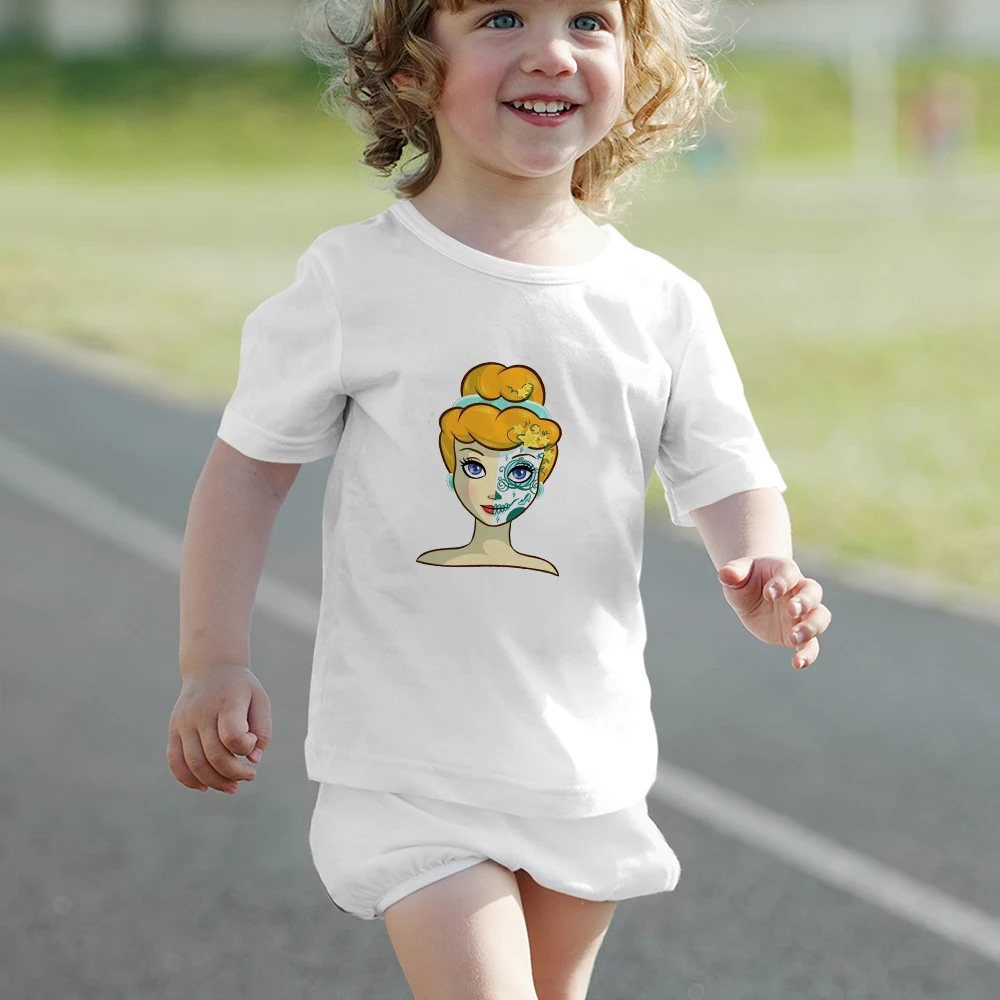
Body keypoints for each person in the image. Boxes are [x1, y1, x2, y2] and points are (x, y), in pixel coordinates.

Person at [166, 0, 832, 994]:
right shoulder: (356, 279)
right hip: (408, 767)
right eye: (503, 16)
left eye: (588, 20)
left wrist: (762, 568)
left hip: (583, 761)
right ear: (410, 67)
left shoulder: (659, 304)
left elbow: (730, 471)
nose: (551, 52)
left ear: (637, 66)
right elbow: (247, 473)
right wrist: (212, 659)